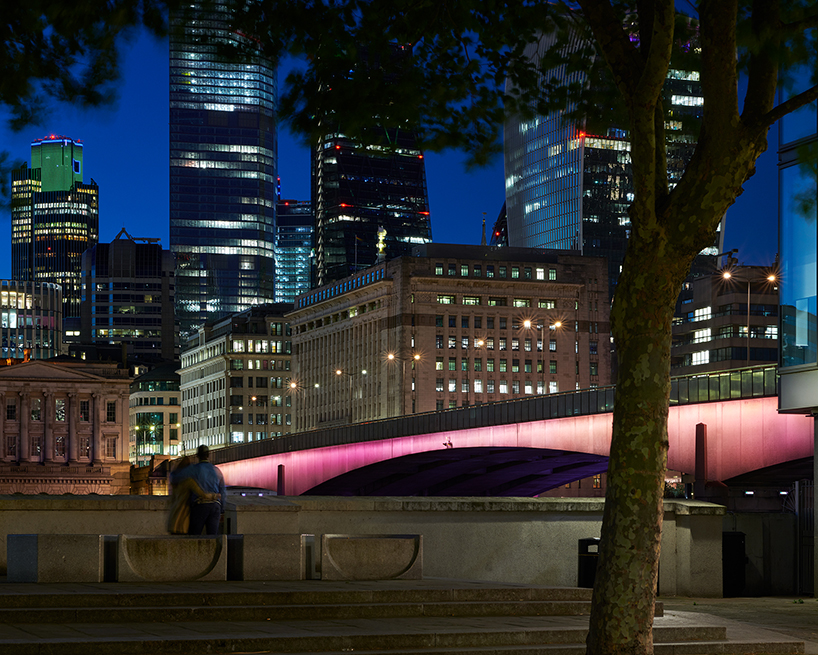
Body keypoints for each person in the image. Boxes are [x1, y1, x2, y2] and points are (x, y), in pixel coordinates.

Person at [170, 445, 226, 536]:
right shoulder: (216, 470)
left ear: (197, 456)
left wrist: (178, 468)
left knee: (194, 536)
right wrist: (222, 508)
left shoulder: (194, 469)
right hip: (215, 505)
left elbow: (175, 477)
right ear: (208, 455)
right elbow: (222, 490)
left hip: (200, 505)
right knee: (213, 537)